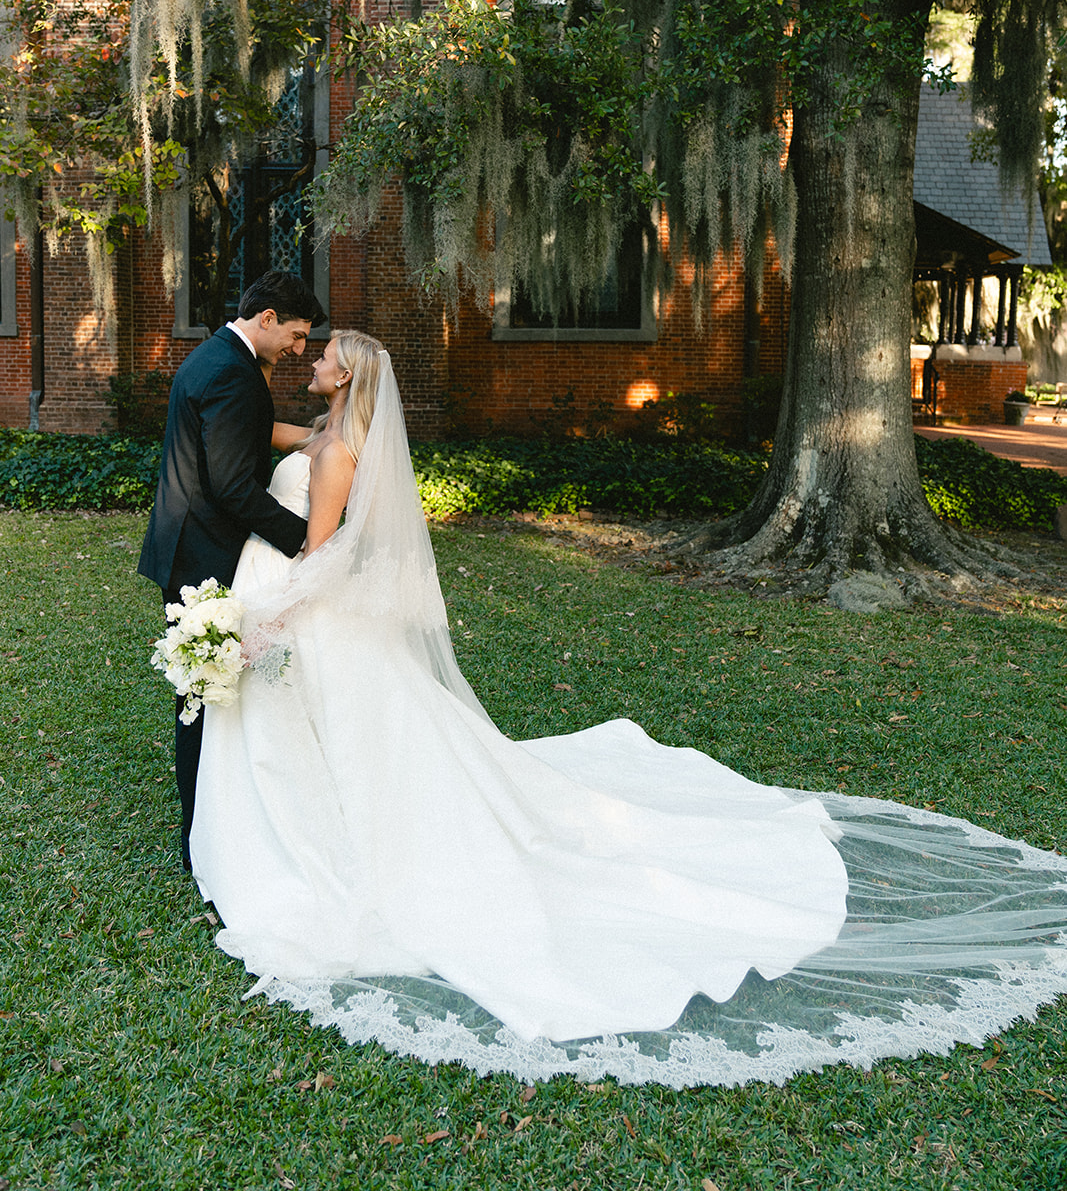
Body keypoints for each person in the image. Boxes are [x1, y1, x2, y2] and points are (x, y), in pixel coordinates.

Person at [189, 333, 1067, 1089]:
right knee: (362, 739)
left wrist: (263, 623)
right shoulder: (331, 433)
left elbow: (322, 548)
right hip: (320, 610)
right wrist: (210, 404)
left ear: (346, 377)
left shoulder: (340, 452)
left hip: (315, 615)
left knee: (366, 743)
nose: (317, 357)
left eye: (328, 354)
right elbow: (273, 433)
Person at [139, 269, 325, 867]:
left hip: (186, 545)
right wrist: (306, 538)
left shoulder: (215, 356)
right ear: (267, 318)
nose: (300, 350)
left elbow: (242, 438)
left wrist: (313, 439)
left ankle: (219, 813)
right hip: (204, 555)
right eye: (296, 336)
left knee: (209, 690)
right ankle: (202, 835)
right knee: (204, 695)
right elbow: (230, 486)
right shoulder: (231, 373)